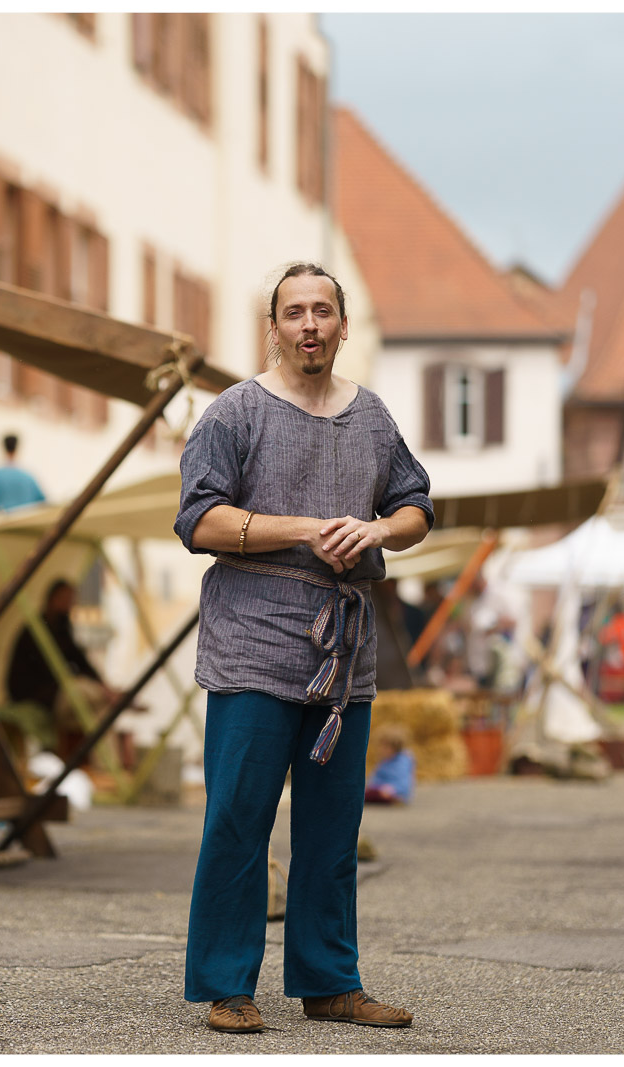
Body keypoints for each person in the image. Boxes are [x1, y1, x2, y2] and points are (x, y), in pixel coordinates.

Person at [175, 262, 432, 1034]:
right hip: (254, 648)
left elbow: (417, 506)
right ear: (274, 328)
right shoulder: (234, 413)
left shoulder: (375, 418)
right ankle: (226, 983)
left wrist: (379, 528)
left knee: (331, 827)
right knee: (239, 818)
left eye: (324, 311)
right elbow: (198, 521)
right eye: (295, 313)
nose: (310, 325)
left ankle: (329, 979)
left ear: (344, 326)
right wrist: (305, 528)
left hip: (341, 656)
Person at [4, 579, 114, 762]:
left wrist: (101, 684)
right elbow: (51, 670)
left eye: (71, 600)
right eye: (65, 599)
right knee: (84, 693)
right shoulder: (37, 629)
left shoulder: (62, 628)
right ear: (53, 599)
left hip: (55, 694)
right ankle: (100, 761)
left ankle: (103, 764)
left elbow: (80, 660)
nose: (69, 604)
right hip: (37, 694)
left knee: (100, 711)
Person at [0, 433, 45, 514]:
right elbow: (42, 503)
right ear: (17, 448)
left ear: (3, 447)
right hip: (26, 522)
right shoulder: (29, 477)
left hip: (1, 523)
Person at [364, 725, 416, 805]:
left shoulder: (402, 762)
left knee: (383, 794)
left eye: (385, 747)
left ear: (396, 747)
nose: (381, 750)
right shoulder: (384, 761)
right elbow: (376, 777)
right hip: (380, 789)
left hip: (394, 792)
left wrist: (393, 789)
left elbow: (404, 782)